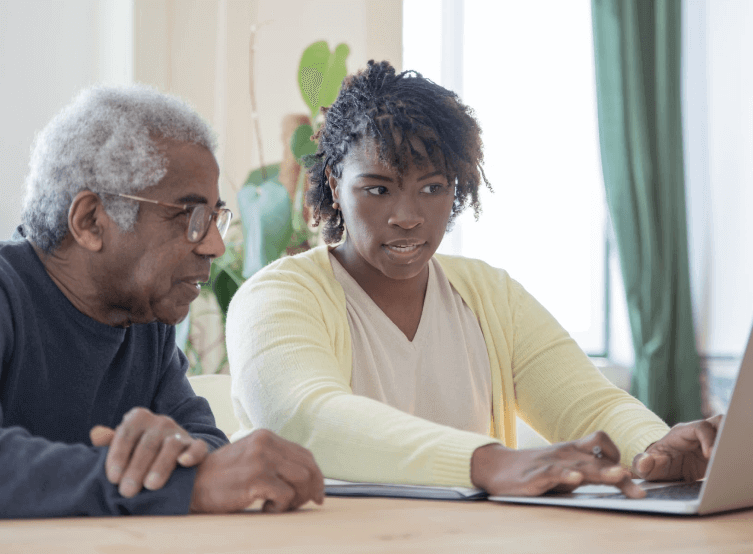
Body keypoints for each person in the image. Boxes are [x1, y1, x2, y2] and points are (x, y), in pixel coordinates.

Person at [226, 60, 721, 498]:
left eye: (432, 188)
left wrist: (656, 449)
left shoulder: (491, 296)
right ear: (334, 185)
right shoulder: (277, 298)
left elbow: (588, 405)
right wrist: (490, 462)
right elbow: (305, 418)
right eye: (377, 189)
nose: (407, 216)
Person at [0, 85, 323, 518]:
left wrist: (176, 455)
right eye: (189, 217)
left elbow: (204, 444)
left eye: (214, 218)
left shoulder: (144, 318)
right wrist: (174, 485)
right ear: (91, 221)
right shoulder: (8, 295)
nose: (214, 246)